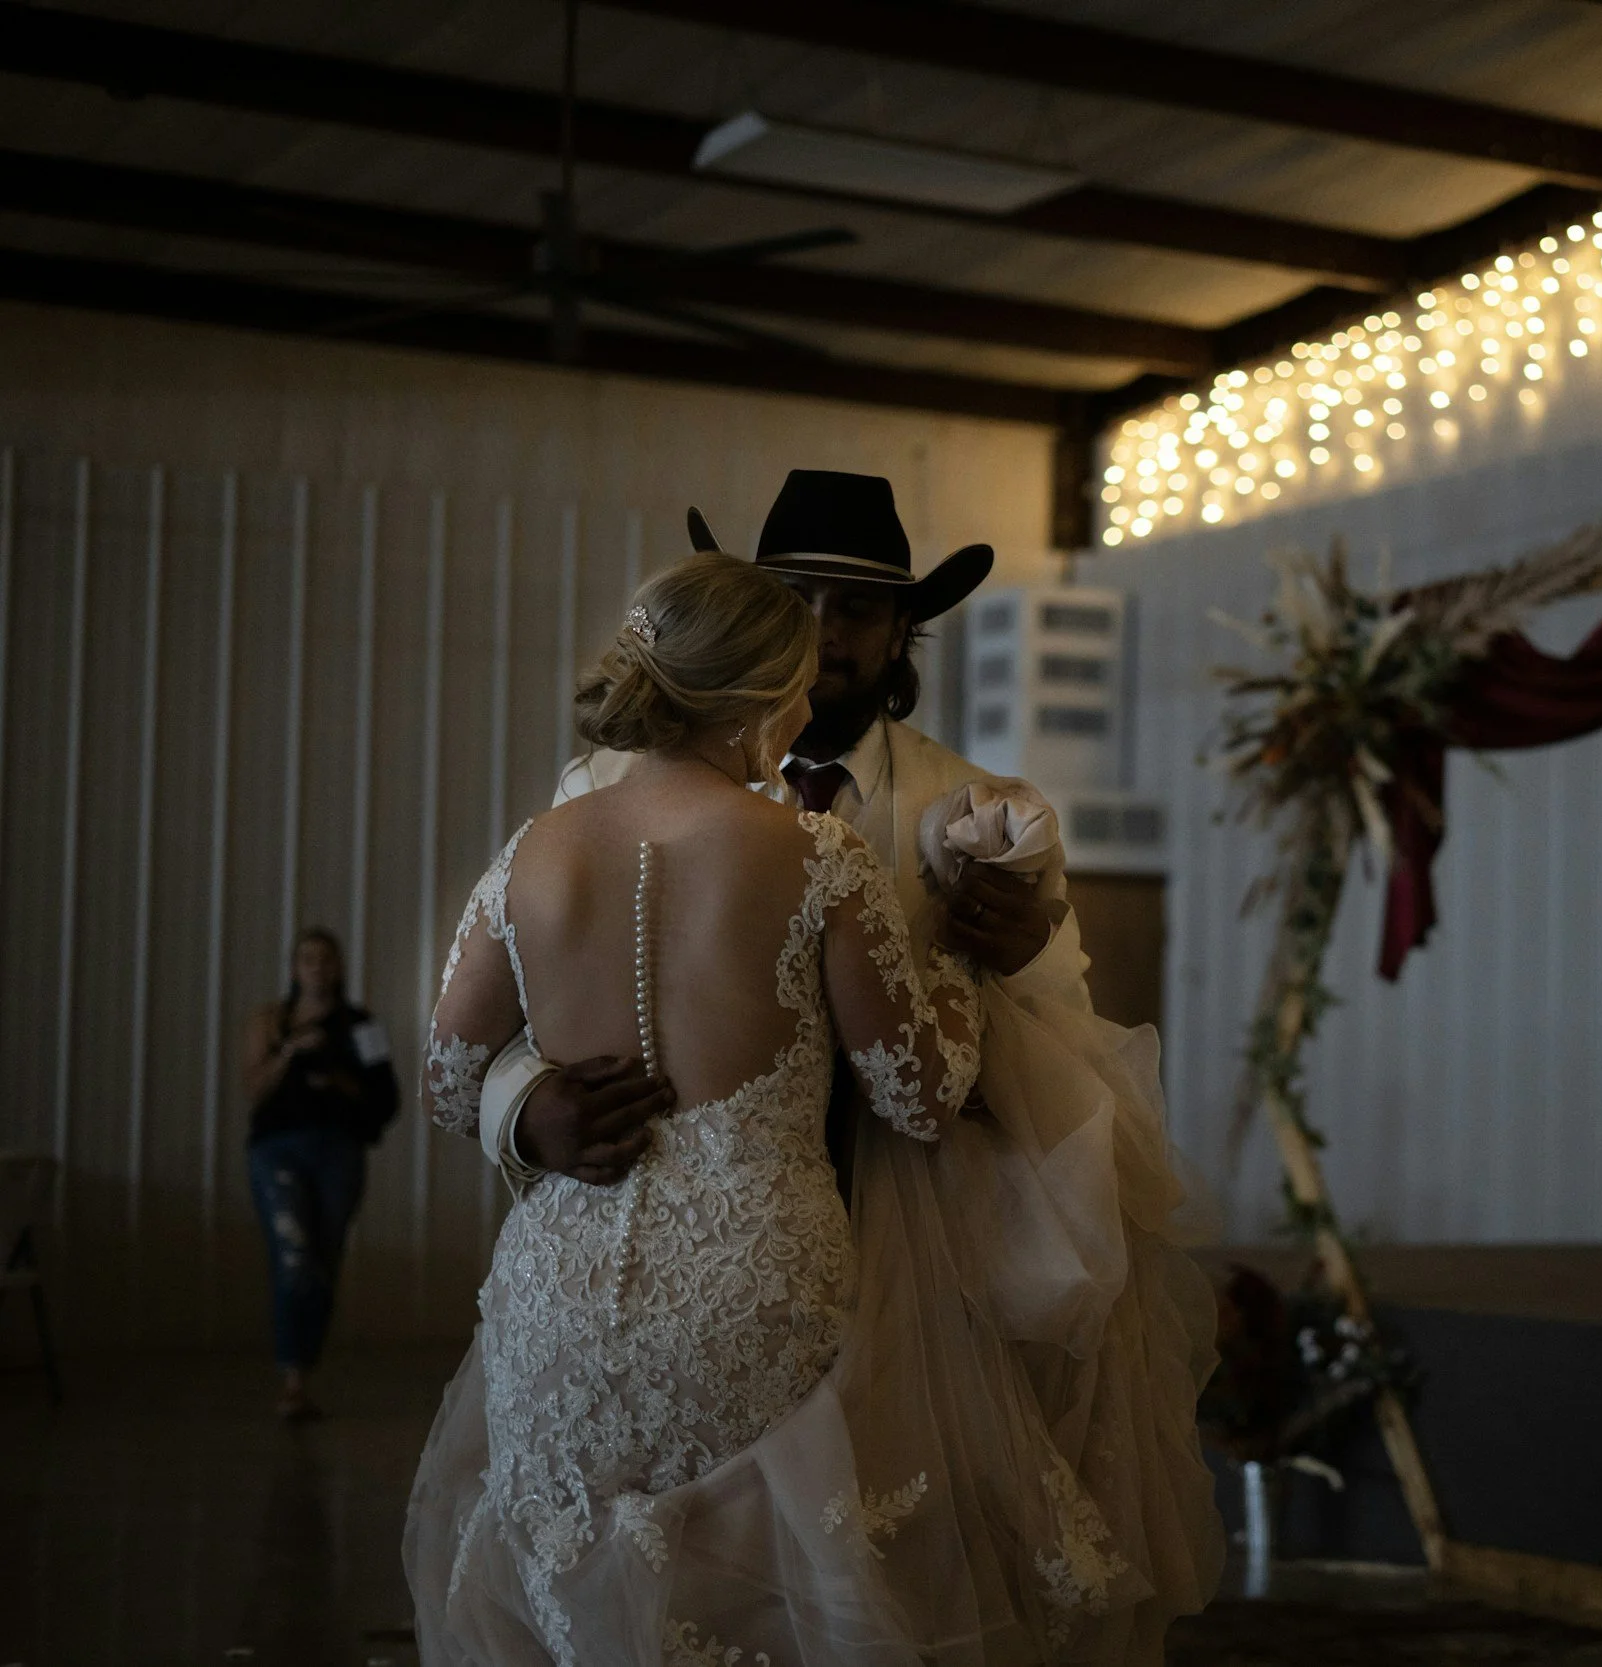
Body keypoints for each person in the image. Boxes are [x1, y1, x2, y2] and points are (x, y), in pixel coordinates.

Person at [407, 533, 1219, 1665]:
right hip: (761, 1273)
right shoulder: (818, 852)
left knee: (581, 1582)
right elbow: (919, 1093)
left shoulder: (538, 846)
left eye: (860, 612)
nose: (825, 653)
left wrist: (1024, 936)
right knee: (786, 1591)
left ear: (901, 636)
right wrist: (955, 979)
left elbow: (444, 1070)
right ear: (757, 694)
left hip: (570, 1283)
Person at [241, 927, 399, 1420]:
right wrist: (289, 1051)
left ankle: (304, 1374)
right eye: (306, 959)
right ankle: (291, 1379)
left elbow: (386, 1097)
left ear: (338, 966)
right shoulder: (270, 1022)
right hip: (277, 1151)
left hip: (338, 1151)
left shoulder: (360, 1025)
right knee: (293, 1254)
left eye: (325, 959)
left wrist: (337, 1079)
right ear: (293, 968)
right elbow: (252, 1090)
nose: (316, 968)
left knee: (324, 1260)